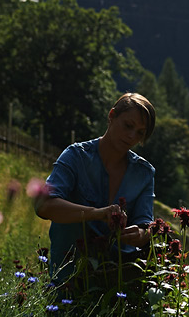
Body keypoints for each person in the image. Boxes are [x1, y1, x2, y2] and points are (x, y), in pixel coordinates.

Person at [34, 92, 156, 282]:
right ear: (112, 115)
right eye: (128, 126)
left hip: (118, 281)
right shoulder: (75, 156)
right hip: (69, 277)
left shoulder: (144, 173)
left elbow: (145, 224)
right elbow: (43, 206)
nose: (132, 136)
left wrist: (140, 234)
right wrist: (97, 213)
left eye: (140, 132)